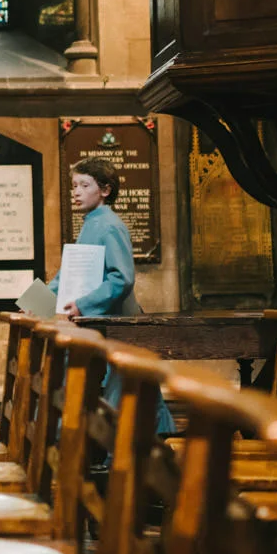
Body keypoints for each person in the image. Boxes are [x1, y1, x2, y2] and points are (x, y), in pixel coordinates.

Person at [52, 158, 175, 436]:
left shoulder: (109, 225)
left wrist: (83, 304)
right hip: (103, 320)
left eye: (85, 185)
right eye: (74, 186)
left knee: (123, 389)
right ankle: (150, 440)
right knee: (130, 388)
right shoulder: (90, 223)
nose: (77, 192)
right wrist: (34, 304)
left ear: (105, 190)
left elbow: (122, 277)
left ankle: (124, 451)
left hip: (119, 322)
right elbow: (67, 275)